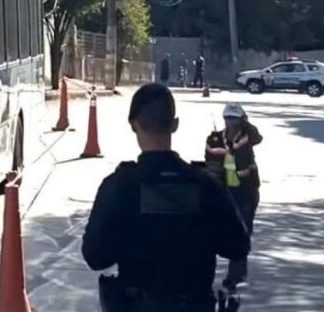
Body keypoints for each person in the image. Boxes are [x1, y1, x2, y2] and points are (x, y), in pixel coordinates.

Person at [82, 84, 249, 311]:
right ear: (175, 124)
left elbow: (95, 257)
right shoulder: (206, 185)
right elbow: (238, 246)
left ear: (133, 125)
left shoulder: (120, 186)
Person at [205, 104, 261, 291]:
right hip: (223, 190)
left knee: (243, 230)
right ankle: (205, 274)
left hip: (246, 190)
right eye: (228, 118)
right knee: (213, 232)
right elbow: (209, 162)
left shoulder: (247, 136)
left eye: (235, 118)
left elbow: (258, 137)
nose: (232, 122)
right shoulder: (214, 139)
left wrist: (246, 122)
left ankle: (235, 276)